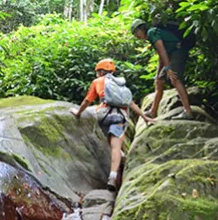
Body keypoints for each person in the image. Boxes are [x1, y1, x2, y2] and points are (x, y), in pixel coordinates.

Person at [70, 59, 155, 190]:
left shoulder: (97, 82)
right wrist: (144, 117)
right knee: (116, 147)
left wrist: (78, 112)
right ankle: (113, 177)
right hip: (120, 117)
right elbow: (130, 103)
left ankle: (121, 159)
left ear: (101, 71)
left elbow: (87, 100)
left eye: (97, 72)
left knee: (111, 144)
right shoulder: (120, 84)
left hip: (103, 116)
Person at [130, 19, 193, 119]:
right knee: (159, 81)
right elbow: (161, 55)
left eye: (136, 32)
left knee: (174, 78)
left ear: (141, 28)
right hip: (172, 54)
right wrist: (158, 73)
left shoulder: (152, 32)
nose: (136, 35)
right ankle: (152, 112)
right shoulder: (151, 36)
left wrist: (168, 68)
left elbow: (162, 50)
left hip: (178, 51)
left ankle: (188, 112)